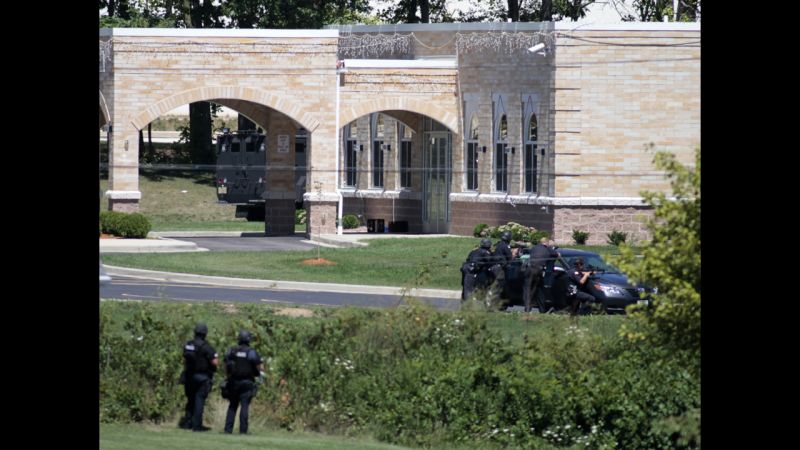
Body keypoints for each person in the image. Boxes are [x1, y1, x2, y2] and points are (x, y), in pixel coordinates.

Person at [223, 330, 264, 435]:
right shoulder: (251, 352)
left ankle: (227, 430)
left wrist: (227, 377)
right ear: (248, 339)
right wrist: (260, 377)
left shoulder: (232, 350)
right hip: (247, 382)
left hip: (233, 382)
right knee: (244, 406)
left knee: (232, 406)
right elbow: (259, 366)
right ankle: (243, 431)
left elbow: (226, 364)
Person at [180, 323, 219, 432]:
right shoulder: (207, 347)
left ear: (195, 332)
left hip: (189, 376)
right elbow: (215, 362)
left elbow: (184, 359)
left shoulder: (188, 344)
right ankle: (197, 426)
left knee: (190, 400)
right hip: (202, 377)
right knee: (199, 401)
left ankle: (187, 424)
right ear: (205, 334)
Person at [522, 237, 559, 313]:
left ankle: (528, 309)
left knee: (528, 289)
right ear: (546, 243)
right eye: (548, 243)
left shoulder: (534, 248)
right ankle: (539, 309)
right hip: (538, 271)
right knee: (537, 290)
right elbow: (557, 255)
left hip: (529, 269)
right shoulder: (548, 249)